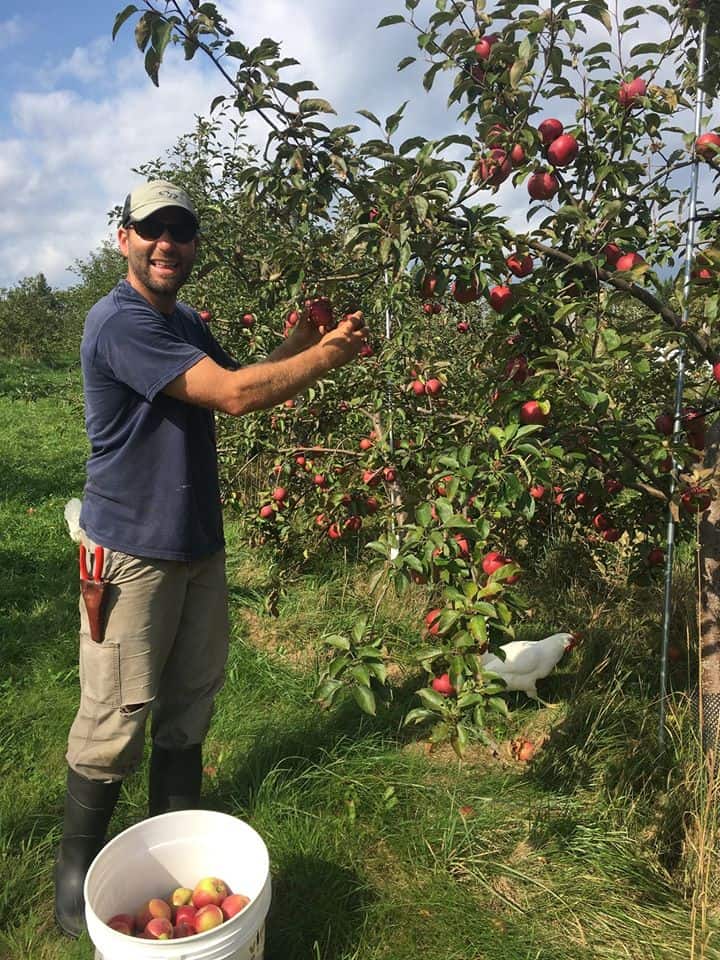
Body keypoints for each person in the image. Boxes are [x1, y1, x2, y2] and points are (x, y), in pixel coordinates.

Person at [54, 179, 369, 937]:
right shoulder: (119, 322)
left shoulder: (184, 319)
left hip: (196, 543)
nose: (168, 244)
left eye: (181, 231)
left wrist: (301, 340)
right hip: (131, 552)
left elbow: (248, 373)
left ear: (194, 244)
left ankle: (169, 850)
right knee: (115, 714)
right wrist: (326, 359)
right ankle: (74, 881)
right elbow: (231, 396)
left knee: (190, 701)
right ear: (124, 238)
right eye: (152, 230)